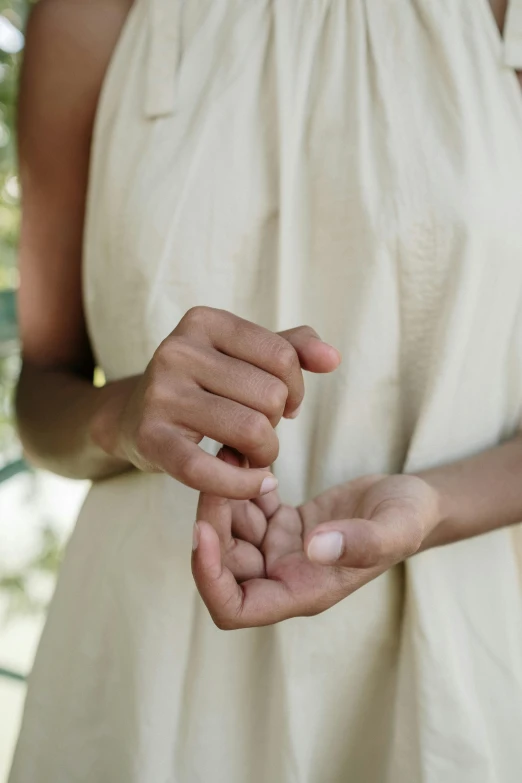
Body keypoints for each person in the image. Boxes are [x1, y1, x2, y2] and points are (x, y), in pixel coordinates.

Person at [8, 0, 522, 780]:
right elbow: (42, 395)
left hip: (445, 655)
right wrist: (125, 413)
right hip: (148, 668)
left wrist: (436, 504)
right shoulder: (87, 15)